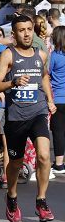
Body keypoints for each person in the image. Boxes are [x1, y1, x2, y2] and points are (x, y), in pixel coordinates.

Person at [0, 14, 56, 222]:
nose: (26, 34)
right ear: (14, 34)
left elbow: (43, 76)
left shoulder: (41, 55)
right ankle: (12, 195)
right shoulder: (8, 56)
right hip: (16, 116)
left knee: (44, 156)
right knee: (16, 163)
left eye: (29, 29)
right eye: (22, 30)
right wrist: (13, 82)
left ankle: (41, 200)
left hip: (38, 111)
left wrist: (50, 100)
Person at [49, 25, 65, 174]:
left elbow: (46, 74)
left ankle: (59, 163)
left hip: (58, 98)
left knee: (58, 131)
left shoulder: (54, 56)